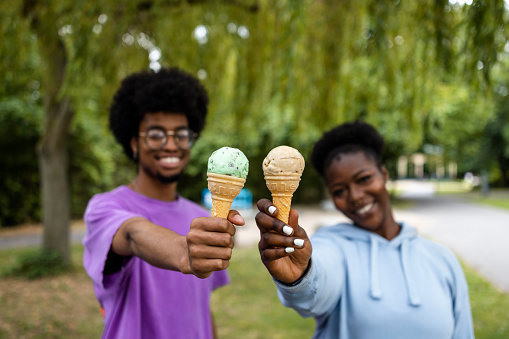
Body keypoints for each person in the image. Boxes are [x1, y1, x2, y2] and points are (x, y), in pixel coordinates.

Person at [255, 121, 475, 339]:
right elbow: (317, 287)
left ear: (384, 174)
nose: (356, 196)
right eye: (340, 191)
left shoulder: (442, 259)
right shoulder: (332, 244)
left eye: (364, 179)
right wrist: (301, 278)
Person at [83, 67, 244, 339]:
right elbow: (133, 234)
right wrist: (184, 250)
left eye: (181, 135)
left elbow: (201, 308)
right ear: (134, 143)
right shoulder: (104, 207)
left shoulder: (201, 216)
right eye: (156, 135)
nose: (171, 146)